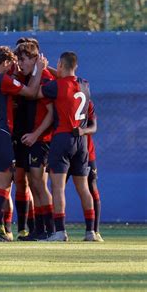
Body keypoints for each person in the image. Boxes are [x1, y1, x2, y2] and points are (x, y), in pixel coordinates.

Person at [0, 45, 44, 241]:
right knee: (4, 186)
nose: (14, 67)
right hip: (0, 133)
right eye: (12, 64)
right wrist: (38, 70)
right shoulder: (2, 79)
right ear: (5, 62)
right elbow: (31, 92)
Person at [37, 51, 97, 242]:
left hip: (62, 138)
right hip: (81, 141)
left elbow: (35, 93)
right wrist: (50, 68)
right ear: (75, 66)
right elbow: (69, 81)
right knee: (83, 188)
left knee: (58, 187)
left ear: (60, 65)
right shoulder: (85, 85)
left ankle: (60, 231)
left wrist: (41, 70)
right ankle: (91, 232)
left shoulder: (55, 86)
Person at [14, 42, 56, 240]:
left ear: (34, 59)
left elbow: (51, 113)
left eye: (23, 59)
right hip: (34, 139)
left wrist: (35, 135)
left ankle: (51, 230)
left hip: (42, 140)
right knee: (33, 184)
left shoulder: (45, 77)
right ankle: (39, 230)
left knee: (40, 185)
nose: (20, 63)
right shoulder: (32, 77)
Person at [73, 100, 103, 241]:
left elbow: (94, 127)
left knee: (91, 186)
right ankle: (55, 231)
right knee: (56, 187)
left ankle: (94, 231)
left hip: (86, 152)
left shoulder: (87, 102)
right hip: (64, 151)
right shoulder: (59, 96)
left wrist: (83, 131)